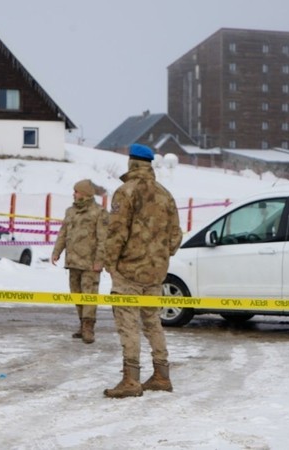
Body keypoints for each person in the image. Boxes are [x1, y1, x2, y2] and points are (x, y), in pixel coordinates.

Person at [103, 144, 183, 398]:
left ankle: (131, 380)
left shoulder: (125, 192)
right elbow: (176, 236)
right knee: (152, 323)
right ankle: (161, 375)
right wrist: (160, 257)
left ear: (130, 163)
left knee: (128, 325)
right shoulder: (165, 195)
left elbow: (116, 232)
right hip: (156, 273)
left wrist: (111, 263)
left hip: (128, 271)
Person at [51, 179, 108, 344]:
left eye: (76, 191)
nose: (74, 194)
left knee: (89, 296)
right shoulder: (70, 212)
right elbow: (63, 233)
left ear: (85, 194)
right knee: (76, 295)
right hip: (73, 262)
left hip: (90, 264)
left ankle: (89, 327)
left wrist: (99, 261)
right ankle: (82, 324)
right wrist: (57, 252)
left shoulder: (99, 212)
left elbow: (103, 239)